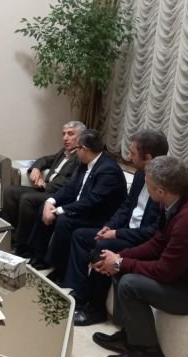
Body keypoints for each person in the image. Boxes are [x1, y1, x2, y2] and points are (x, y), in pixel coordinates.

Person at [91, 156, 188, 357]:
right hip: (182, 276)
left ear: (160, 190)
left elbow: (164, 271)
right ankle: (129, 337)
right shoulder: (175, 201)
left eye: (147, 183)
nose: (144, 184)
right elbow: (156, 244)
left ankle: (148, 356)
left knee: (130, 283)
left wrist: (120, 262)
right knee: (122, 269)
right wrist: (118, 257)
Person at [66, 129, 168, 326]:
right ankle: (80, 292)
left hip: (143, 241)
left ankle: (95, 310)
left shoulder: (165, 187)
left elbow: (152, 232)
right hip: (125, 231)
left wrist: (116, 233)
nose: (128, 157)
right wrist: (109, 226)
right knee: (81, 235)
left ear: (147, 158)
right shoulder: (140, 175)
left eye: (132, 153)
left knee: (102, 248)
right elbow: (126, 206)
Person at [27, 129, 127, 274]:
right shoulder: (85, 162)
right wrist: (51, 202)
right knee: (45, 206)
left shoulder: (108, 169)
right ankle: (38, 255)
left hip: (98, 216)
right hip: (83, 208)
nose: (76, 152)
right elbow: (70, 188)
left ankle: (59, 268)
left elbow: (92, 201)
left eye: (77, 149)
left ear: (84, 149)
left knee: (63, 220)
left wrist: (58, 210)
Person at [3, 121, 83, 255]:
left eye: (70, 134)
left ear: (80, 137)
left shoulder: (80, 156)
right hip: (45, 189)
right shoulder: (64, 152)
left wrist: (45, 185)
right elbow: (45, 159)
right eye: (63, 134)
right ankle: (9, 234)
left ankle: (23, 245)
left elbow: (70, 182)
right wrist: (36, 168)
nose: (65, 138)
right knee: (10, 191)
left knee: (27, 198)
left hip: (58, 195)